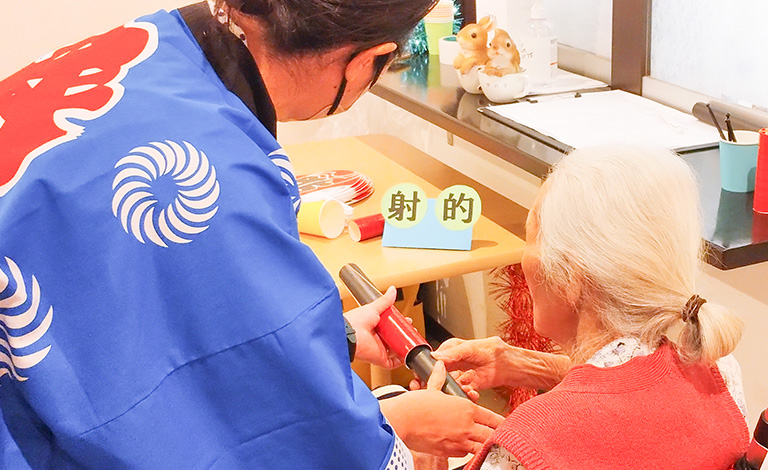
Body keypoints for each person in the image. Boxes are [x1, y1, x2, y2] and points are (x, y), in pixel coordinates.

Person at [0, 0, 503, 468]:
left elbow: (126, 315)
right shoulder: (215, 184)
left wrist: (334, 336)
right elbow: (261, 434)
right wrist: (395, 426)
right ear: (368, 60)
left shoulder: (148, 42)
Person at [426, 146, 750, 469]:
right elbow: (628, 397)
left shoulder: (527, 446)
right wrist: (527, 364)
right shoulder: (716, 367)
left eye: (532, 238)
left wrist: (424, 458)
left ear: (568, 278)